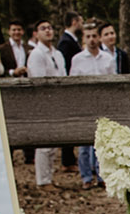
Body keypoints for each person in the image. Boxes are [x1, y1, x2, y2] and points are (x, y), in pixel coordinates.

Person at [70, 24, 115, 185]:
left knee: (102, 142)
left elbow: (113, 82)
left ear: (99, 37)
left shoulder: (108, 59)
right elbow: (73, 84)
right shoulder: (77, 59)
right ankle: (86, 177)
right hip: (85, 105)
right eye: (88, 36)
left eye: (94, 36)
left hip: (103, 104)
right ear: (83, 39)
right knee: (84, 145)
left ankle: (102, 175)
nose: (92, 40)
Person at [26, 21, 65, 186]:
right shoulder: (36, 54)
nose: (48, 31)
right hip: (43, 102)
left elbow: (63, 75)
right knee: (44, 144)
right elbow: (38, 80)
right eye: (43, 29)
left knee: (53, 143)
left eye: (50, 28)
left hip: (58, 100)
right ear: (36, 33)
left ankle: (49, 177)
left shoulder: (57, 54)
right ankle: (42, 180)